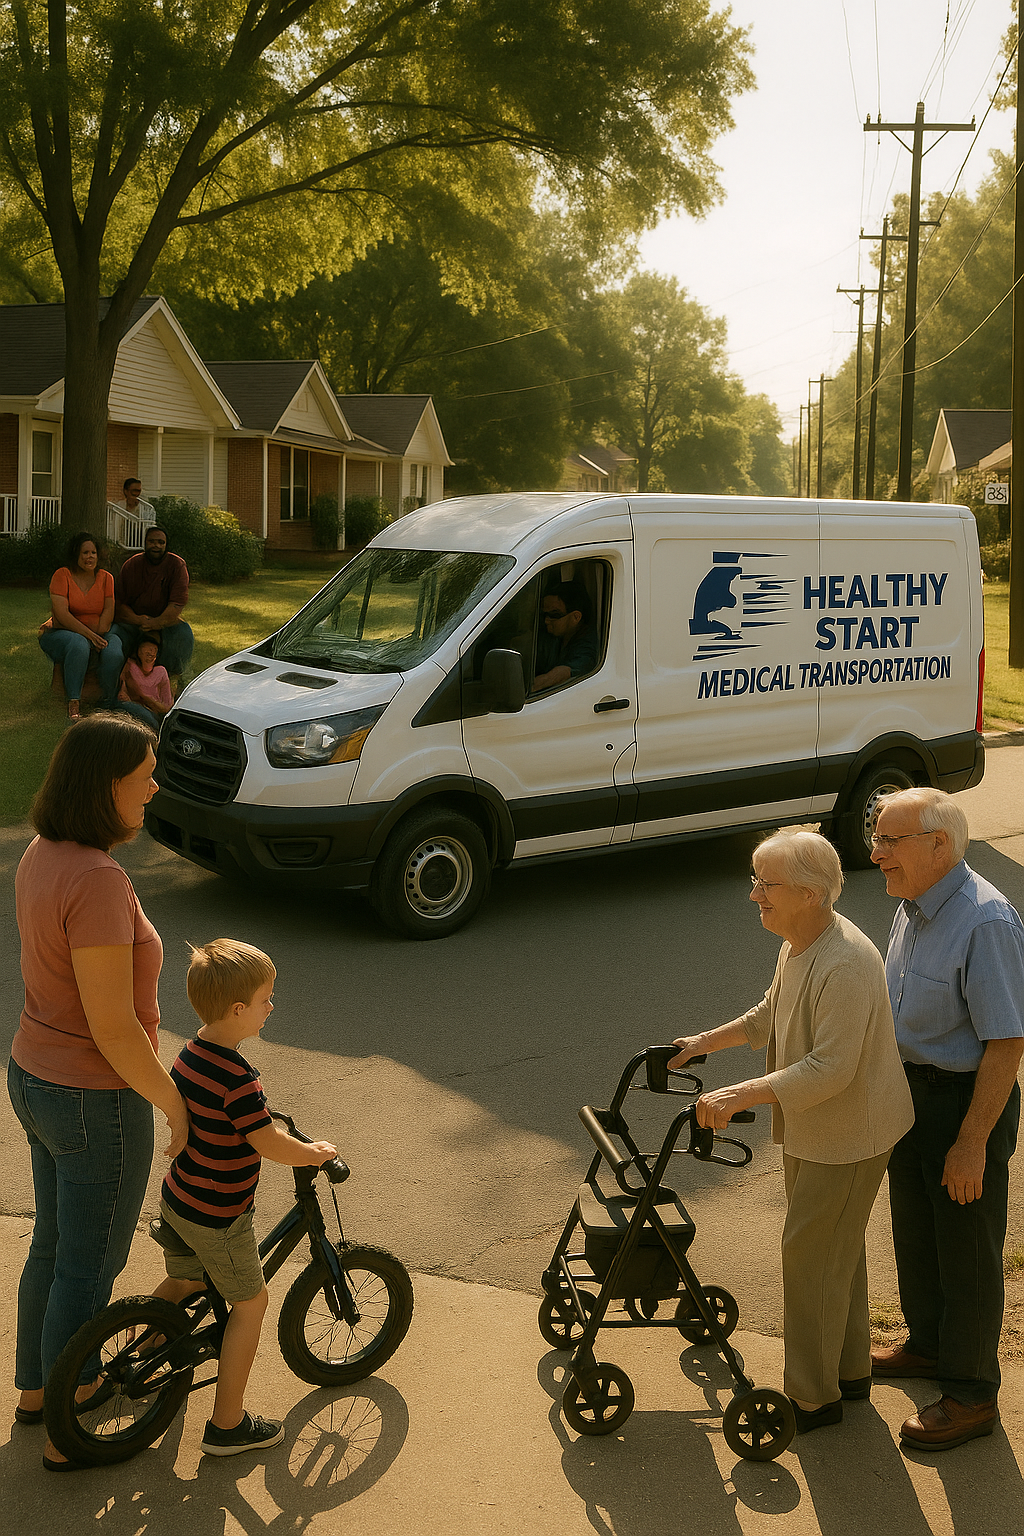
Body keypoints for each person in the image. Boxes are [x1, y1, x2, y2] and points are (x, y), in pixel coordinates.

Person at [671, 828, 913, 1434]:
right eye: (756, 881)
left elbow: (830, 1069)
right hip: (816, 1129)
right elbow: (769, 1014)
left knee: (809, 1258)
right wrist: (705, 1044)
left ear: (809, 893)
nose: (755, 895)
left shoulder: (848, 963)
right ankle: (849, 1372)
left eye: (766, 884)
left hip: (849, 1136)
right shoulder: (800, 940)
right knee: (836, 1252)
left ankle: (812, 1399)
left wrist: (738, 1095)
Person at [8, 714, 188, 1470]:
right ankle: (70, 1418)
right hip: (93, 1098)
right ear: (104, 784)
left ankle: (34, 1393)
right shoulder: (99, 880)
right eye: (143, 773)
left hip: (34, 1077)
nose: (154, 784)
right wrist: (174, 1105)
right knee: (90, 1263)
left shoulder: (42, 854)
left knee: (52, 1246)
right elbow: (114, 1028)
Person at [869, 787, 1024, 1451]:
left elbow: (1008, 1040)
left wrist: (970, 1143)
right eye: (875, 839)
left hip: (963, 1105)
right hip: (910, 1098)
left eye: (889, 840)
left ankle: (970, 1393)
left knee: (967, 1250)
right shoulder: (912, 905)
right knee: (919, 1234)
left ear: (940, 845)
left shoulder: (985, 920)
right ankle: (928, 1345)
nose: (875, 853)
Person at [150, 939, 336, 1457]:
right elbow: (266, 1142)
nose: (270, 1008)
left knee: (186, 1277)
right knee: (251, 1303)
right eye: (265, 1000)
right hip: (218, 1216)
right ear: (238, 1010)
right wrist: (311, 1152)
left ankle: (146, 1343)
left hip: (180, 1199)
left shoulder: (190, 1053)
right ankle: (227, 1425)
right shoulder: (240, 1079)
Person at [38, 531, 125, 721]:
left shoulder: (106, 578)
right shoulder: (62, 575)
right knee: (78, 643)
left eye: (93, 552)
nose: (90, 557)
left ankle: (108, 702)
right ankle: (74, 701)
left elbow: (108, 614)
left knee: (115, 649)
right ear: (76, 554)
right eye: (85, 553)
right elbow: (62, 615)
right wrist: (89, 636)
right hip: (61, 633)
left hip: (98, 632)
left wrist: (98, 633)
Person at [112, 525, 194, 680]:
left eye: (161, 542)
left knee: (184, 634)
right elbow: (119, 604)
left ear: (166, 545)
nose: (156, 545)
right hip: (133, 620)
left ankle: (172, 679)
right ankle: (119, 681)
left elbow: (176, 604)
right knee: (112, 638)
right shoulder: (131, 565)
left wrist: (156, 623)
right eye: (152, 541)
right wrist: (139, 620)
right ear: (145, 543)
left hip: (164, 621)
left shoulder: (177, 565)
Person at [533, 580, 598, 691]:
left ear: (576, 617)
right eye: (544, 614)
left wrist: (533, 687)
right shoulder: (554, 634)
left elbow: (565, 671)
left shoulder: (587, 645)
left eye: (554, 615)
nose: (546, 620)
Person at [117, 635, 174, 731]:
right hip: (134, 708)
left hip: (154, 714)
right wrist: (125, 695)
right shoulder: (130, 666)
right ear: (138, 653)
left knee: (153, 722)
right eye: (146, 651)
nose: (151, 654)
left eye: (154, 651)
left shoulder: (160, 672)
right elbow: (122, 691)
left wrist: (145, 697)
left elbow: (166, 707)